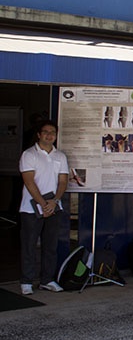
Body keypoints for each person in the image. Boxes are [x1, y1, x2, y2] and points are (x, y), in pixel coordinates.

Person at [19, 119, 69, 295]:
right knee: (29, 245)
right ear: (39, 134)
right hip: (31, 208)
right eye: (46, 132)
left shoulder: (60, 156)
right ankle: (26, 281)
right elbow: (29, 180)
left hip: (53, 207)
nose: (50, 135)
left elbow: (63, 181)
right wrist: (42, 203)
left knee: (50, 246)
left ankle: (47, 280)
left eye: (53, 132)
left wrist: (54, 201)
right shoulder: (29, 154)